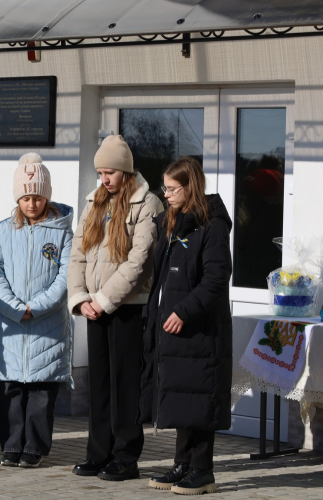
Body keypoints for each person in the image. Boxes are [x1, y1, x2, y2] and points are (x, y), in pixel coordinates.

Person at [67, 135, 163, 480]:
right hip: (94, 308)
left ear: (125, 171)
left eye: (110, 172)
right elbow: (78, 254)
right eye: (100, 172)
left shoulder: (147, 204)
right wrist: (80, 300)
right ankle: (98, 453)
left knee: (125, 385)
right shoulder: (94, 202)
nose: (104, 179)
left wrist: (104, 300)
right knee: (100, 384)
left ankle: (125, 457)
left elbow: (139, 263)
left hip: (127, 307)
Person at [140, 157, 233, 495]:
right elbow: (162, 277)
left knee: (199, 397)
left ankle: (202, 469)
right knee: (181, 396)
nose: (165, 194)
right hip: (171, 326)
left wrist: (183, 311)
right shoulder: (172, 222)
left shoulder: (213, 226)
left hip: (198, 328)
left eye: (172, 188)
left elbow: (215, 279)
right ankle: (182, 463)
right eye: (164, 188)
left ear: (190, 187)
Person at [0, 154, 73, 468]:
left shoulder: (62, 233)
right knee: (10, 390)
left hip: (46, 325)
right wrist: (13, 307)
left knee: (39, 392)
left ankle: (34, 447)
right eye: (25, 197)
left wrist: (37, 307)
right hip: (10, 327)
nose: (31, 203)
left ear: (46, 196)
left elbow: (66, 275)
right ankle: (10, 445)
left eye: (37, 197)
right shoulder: (3, 231)